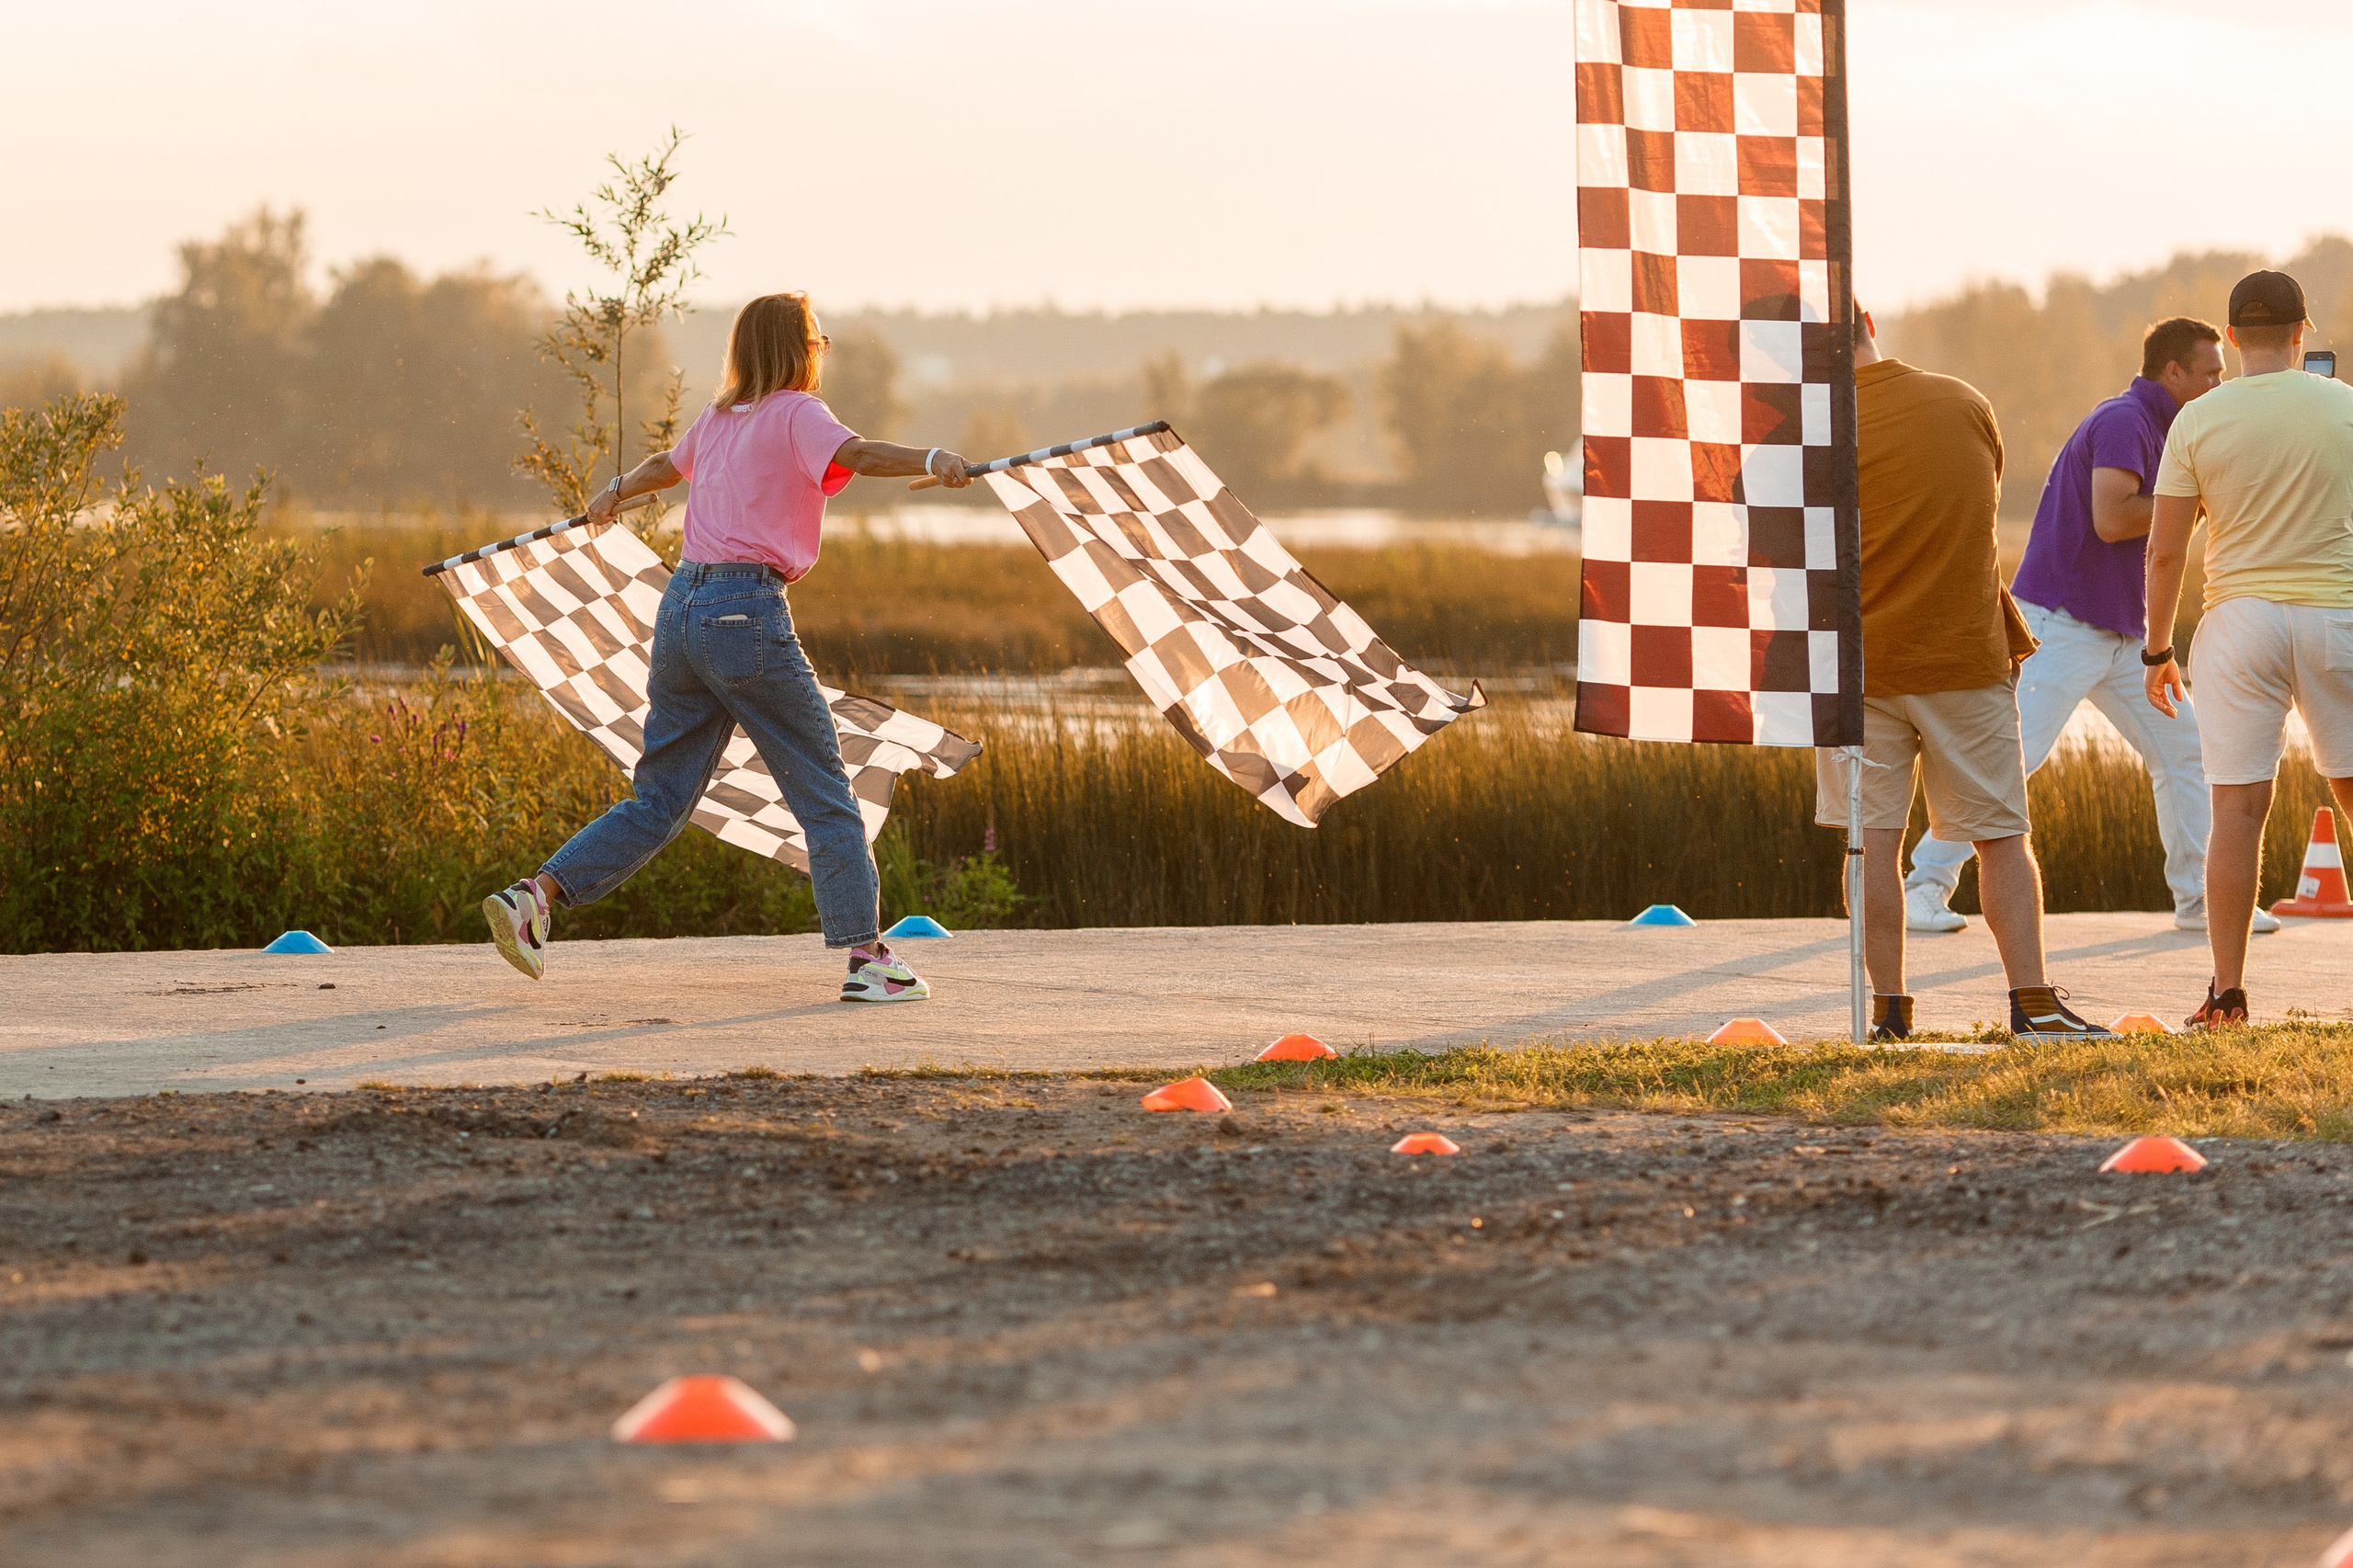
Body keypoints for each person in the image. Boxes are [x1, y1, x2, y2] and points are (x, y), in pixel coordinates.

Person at [479, 292, 974, 1003]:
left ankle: (538, 894)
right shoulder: (799, 413)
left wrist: (611, 494)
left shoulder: (717, 419)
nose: (821, 348)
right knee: (829, 796)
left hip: (680, 609)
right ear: (799, 350)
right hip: (746, 613)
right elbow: (858, 454)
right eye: (817, 339)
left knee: (658, 799)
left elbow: (663, 464)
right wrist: (934, 457)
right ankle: (867, 961)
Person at [1905, 319, 2282, 937]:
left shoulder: (2177, 430)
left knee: (2187, 750)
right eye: (2211, 371)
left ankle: (2197, 900)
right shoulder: (2124, 420)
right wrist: (2200, 503)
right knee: (2007, 759)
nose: (2221, 381)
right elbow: (2113, 517)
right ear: (2174, 373)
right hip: (2060, 626)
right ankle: (1924, 888)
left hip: (2124, 638)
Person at [1817, 308, 2111, 1044]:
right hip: (1962, 657)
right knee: (1999, 837)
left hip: (1857, 670)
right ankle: (2033, 1005)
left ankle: (1888, 1013)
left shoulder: (1808, 433)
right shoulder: (1963, 402)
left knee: (1872, 844)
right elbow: (1979, 505)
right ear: (1869, 323)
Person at [2144, 269, 2353, 1028]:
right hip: (2336, 614)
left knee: (2237, 808)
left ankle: (2228, 993)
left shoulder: (2197, 420)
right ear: (2303, 332)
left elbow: (2165, 553)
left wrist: (2156, 650)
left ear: (2231, 339)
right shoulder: (2345, 406)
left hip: (2238, 624)